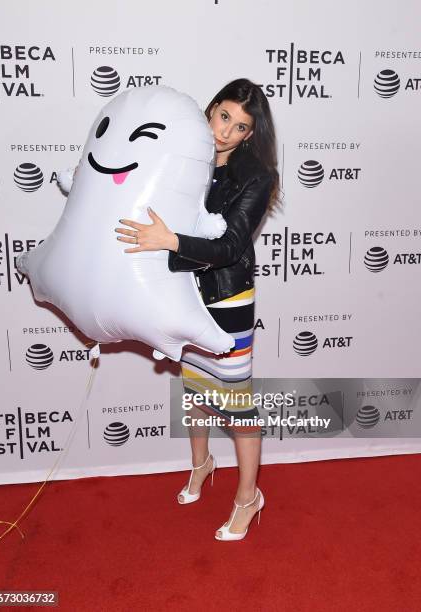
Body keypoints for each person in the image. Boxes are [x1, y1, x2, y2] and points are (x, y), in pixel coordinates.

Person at [115, 78, 280, 541]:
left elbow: (229, 246)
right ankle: (201, 465)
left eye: (240, 126)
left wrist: (169, 241)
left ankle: (249, 498)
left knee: (236, 405)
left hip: (226, 297)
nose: (225, 132)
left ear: (250, 135)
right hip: (183, 290)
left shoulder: (256, 176)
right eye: (223, 116)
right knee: (195, 393)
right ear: (210, 110)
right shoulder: (183, 156)